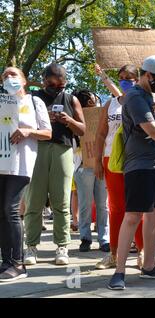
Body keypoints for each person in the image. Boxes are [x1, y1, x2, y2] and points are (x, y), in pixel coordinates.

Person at [108, 55, 155, 290]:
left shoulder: (151, 96)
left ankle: (149, 266)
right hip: (141, 165)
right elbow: (148, 128)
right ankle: (119, 271)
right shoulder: (134, 96)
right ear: (147, 76)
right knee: (133, 216)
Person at [23, 63, 85, 266]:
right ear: (44, 80)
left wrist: (68, 121)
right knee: (34, 200)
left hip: (63, 149)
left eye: (61, 85)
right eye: (52, 83)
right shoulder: (32, 99)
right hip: (37, 149)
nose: (57, 88)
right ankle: (31, 246)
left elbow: (83, 130)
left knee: (62, 201)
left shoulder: (71, 98)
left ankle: (62, 246)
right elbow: (21, 124)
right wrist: (42, 120)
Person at [0, 67, 52, 282]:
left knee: (10, 209)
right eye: (5, 76)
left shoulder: (34, 102)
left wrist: (28, 132)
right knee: (1, 211)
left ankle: (18, 264)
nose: (9, 78)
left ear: (24, 81)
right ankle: (6, 261)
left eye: (13, 75)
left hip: (20, 164)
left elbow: (47, 133)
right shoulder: (2, 102)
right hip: (1, 162)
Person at [94, 64, 145, 269]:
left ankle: (142, 252)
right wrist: (97, 160)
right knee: (116, 208)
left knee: (138, 207)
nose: (126, 81)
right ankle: (114, 254)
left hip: (136, 160)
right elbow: (99, 134)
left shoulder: (143, 101)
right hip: (111, 160)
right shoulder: (111, 104)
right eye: (122, 77)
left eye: (130, 78)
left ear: (138, 80)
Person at [72, 89, 110, 253]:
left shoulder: (102, 115)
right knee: (85, 204)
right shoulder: (75, 119)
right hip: (83, 166)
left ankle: (104, 238)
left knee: (103, 204)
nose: (96, 100)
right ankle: (85, 237)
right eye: (94, 98)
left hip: (100, 164)